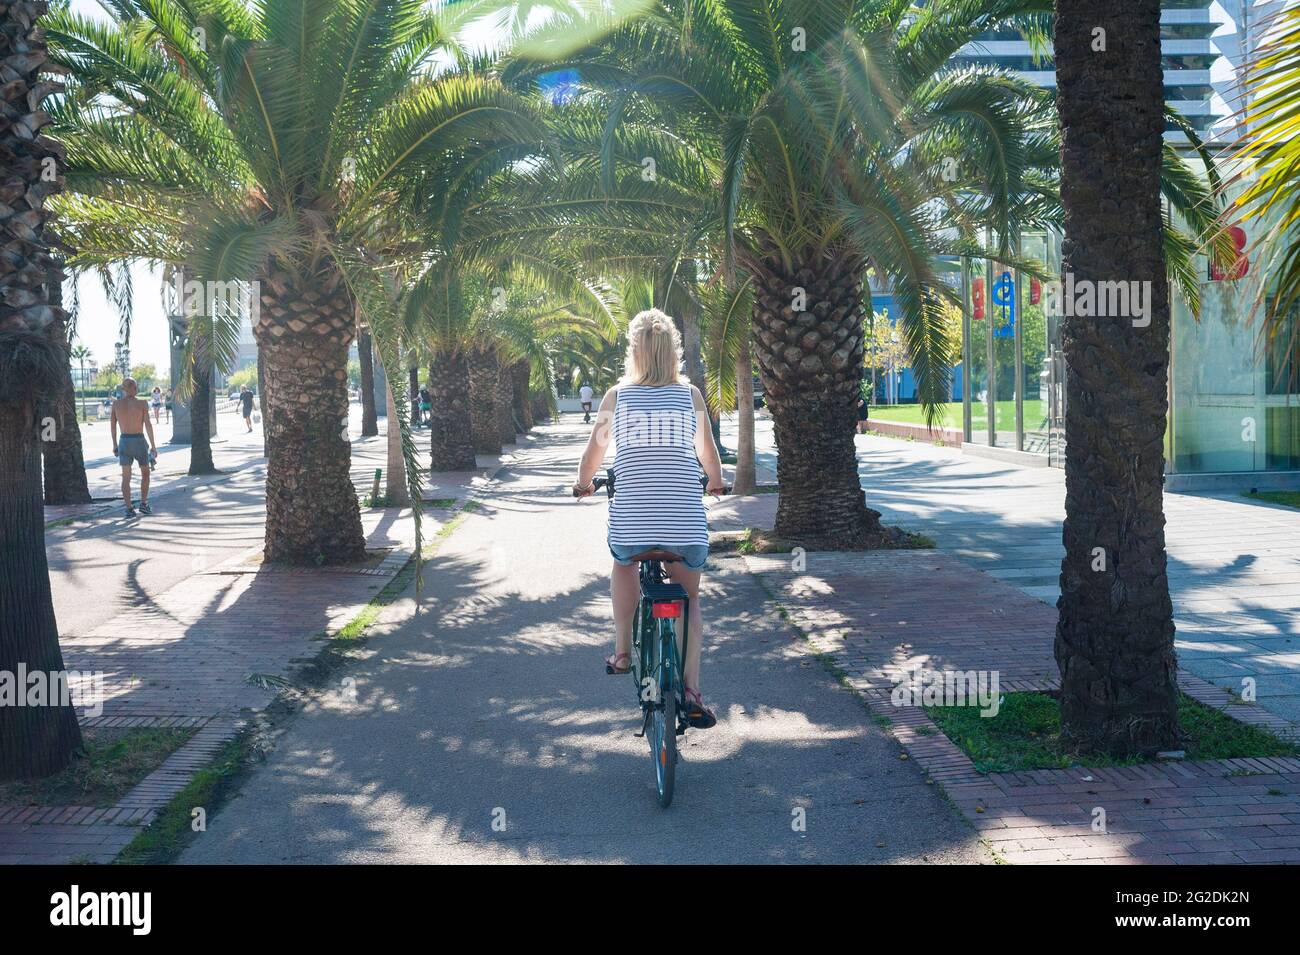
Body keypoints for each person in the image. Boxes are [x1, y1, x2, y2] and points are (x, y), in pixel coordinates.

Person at [573, 309, 726, 728]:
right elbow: (708, 454)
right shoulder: (690, 396)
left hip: (633, 524)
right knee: (690, 598)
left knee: (623, 562)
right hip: (684, 525)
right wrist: (715, 482)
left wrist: (583, 483)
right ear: (673, 351)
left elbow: (595, 454)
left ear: (635, 352)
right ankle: (692, 688)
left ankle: (622, 651)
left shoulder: (616, 397)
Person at [111, 377, 157, 516]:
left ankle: (129, 508)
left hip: (124, 441)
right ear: (132, 388)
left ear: (123, 389)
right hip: (139, 440)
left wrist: (114, 444)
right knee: (145, 473)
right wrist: (153, 446)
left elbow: (112, 427)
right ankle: (143, 503)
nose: (136, 389)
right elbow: (148, 425)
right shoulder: (142, 403)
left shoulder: (116, 405)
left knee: (126, 477)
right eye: (135, 387)